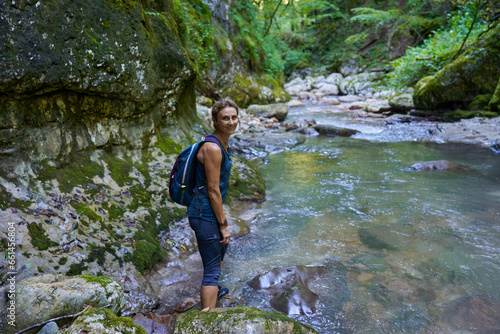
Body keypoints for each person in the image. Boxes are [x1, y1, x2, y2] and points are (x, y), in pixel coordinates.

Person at [187, 98, 239, 310]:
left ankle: (215, 291)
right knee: (211, 270)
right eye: (225, 118)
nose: (230, 122)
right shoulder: (213, 147)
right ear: (215, 121)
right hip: (203, 213)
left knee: (218, 254)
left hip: (207, 211)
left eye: (234, 117)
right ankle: (205, 320)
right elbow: (213, 190)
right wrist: (223, 225)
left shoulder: (223, 143)